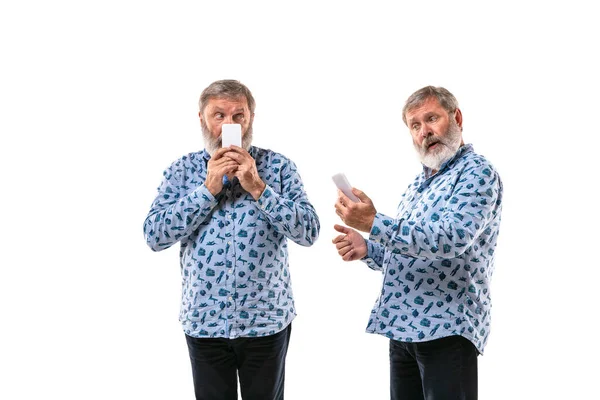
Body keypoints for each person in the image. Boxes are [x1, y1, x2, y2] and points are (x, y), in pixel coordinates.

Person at [144, 79, 320, 400]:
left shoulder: (279, 168)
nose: (229, 125)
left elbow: (308, 232)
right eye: (219, 116)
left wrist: (259, 188)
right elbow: (154, 235)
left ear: (251, 117)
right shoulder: (181, 171)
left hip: (266, 323)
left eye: (239, 116)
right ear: (202, 119)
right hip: (204, 323)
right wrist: (206, 190)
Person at [332, 86, 503, 400]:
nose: (425, 131)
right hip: (403, 327)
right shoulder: (418, 184)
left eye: (432, 119)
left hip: (447, 328)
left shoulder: (478, 173)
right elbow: (411, 250)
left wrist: (374, 223)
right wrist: (367, 248)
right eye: (415, 125)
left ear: (457, 118)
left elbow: (451, 239)